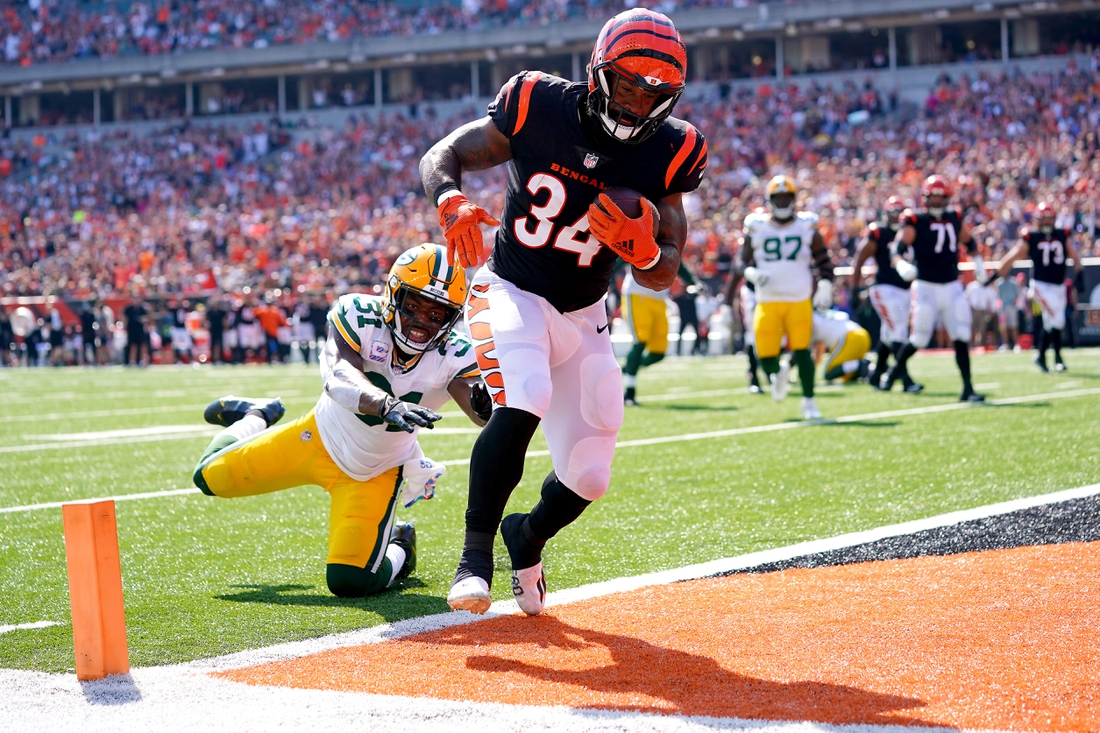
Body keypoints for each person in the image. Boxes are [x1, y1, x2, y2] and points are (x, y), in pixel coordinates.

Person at [420, 8, 706, 616]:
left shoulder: (675, 148)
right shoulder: (536, 102)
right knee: (524, 396)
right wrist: (449, 198)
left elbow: (664, 271)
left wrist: (647, 247)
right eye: (628, 83)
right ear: (599, 72)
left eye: (655, 90)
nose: (637, 100)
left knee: (591, 474)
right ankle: (474, 559)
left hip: (585, 312)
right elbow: (443, 153)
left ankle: (525, 537)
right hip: (513, 289)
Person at [191, 244, 491, 598]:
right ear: (393, 293)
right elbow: (338, 375)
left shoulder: (455, 351)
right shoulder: (358, 312)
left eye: (437, 313)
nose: (422, 321)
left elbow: (476, 407)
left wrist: (486, 403)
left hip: (375, 471)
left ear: (452, 317)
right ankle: (256, 415)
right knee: (209, 477)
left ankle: (401, 549)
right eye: (413, 305)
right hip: (318, 437)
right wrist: (385, 404)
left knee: (351, 581)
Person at [882, 175, 989, 401]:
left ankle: (968, 388)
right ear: (925, 198)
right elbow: (897, 248)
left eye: (941, 198)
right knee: (919, 339)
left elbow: (969, 242)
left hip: (951, 286)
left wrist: (978, 264)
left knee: (961, 334)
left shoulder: (954, 217)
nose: (938, 202)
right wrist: (901, 264)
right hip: (926, 288)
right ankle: (892, 374)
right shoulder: (915, 220)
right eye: (934, 197)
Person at [737, 175, 835, 420]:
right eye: (777, 197)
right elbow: (741, 260)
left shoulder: (807, 225)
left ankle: (809, 402)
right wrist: (750, 271)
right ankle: (778, 372)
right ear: (769, 200)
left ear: (794, 199)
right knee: (765, 355)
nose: (782, 202)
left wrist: (825, 284)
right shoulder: (757, 226)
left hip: (799, 299)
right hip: (767, 300)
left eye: (786, 197)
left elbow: (824, 261)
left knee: (803, 352)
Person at [994, 201, 1082, 371]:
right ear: (1037, 220)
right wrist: (997, 272)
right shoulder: (1031, 236)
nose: (1047, 222)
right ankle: (1057, 358)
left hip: (1059, 285)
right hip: (1041, 285)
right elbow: (1014, 255)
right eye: (1044, 218)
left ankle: (1041, 356)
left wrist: (1080, 275)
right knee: (1056, 318)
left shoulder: (1062, 233)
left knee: (1052, 322)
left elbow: (1074, 255)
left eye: (1050, 218)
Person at [850, 196, 920, 392]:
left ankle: (876, 375)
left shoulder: (910, 232)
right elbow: (859, 260)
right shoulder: (879, 233)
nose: (896, 217)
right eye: (893, 213)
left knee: (889, 334)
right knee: (898, 330)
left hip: (905, 290)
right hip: (884, 289)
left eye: (900, 213)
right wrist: (855, 290)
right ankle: (904, 379)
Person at [621, 260, 697, 405]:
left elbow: (676, 263)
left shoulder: (667, 238)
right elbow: (617, 258)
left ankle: (628, 367)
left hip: (660, 298)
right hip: (636, 293)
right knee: (639, 342)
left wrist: (691, 281)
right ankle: (629, 392)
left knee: (658, 353)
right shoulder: (641, 237)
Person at [812, 309, 872, 383]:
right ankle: (871, 369)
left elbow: (810, 348)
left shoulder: (809, 319)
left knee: (830, 373)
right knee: (847, 374)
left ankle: (861, 365)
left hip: (850, 337)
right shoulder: (818, 315)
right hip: (862, 334)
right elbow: (820, 346)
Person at [996, 271, 1021, 351]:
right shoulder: (998, 283)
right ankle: (1005, 344)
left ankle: (1017, 345)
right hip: (1003, 308)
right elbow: (998, 296)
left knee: (1014, 326)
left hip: (1012, 306)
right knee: (1004, 327)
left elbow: (1017, 294)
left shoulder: (1013, 282)